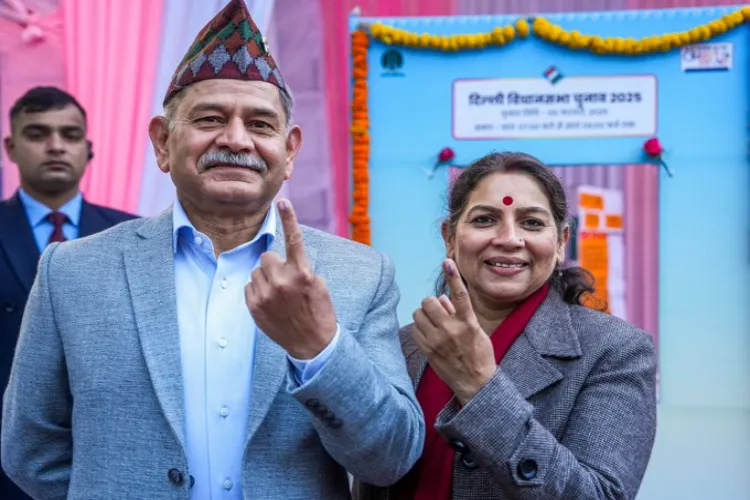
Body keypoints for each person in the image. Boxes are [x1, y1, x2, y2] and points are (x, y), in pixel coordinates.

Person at [1, 1, 424, 499]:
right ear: (162, 143)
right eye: (209, 118)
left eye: (261, 125)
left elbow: (391, 458)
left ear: (289, 152)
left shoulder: (358, 274)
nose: (236, 139)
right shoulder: (72, 271)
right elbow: (30, 450)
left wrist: (320, 348)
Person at [356, 152, 657, 500]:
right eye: (485, 219)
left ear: (561, 242)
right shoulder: (406, 345)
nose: (509, 239)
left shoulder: (614, 350)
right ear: (449, 237)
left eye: (531, 223)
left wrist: (480, 388)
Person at [0, 86, 136, 500]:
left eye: (70, 135)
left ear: (89, 149)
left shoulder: (135, 238)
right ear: (11, 146)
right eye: (38, 134)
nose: (56, 146)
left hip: (111, 455)